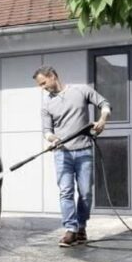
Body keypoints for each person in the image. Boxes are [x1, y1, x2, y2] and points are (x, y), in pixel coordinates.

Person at [33, 66, 111, 247]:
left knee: (86, 193)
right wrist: (53, 139)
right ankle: (71, 229)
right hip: (62, 154)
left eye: (43, 83)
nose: (42, 88)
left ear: (53, 76)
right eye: (40, 85)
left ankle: (81, 227)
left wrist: (102, 120)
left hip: (84, 151)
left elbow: (104, 104)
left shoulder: (81, 90)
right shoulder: (46, 104)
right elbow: (47, 131)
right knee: (66, 192)